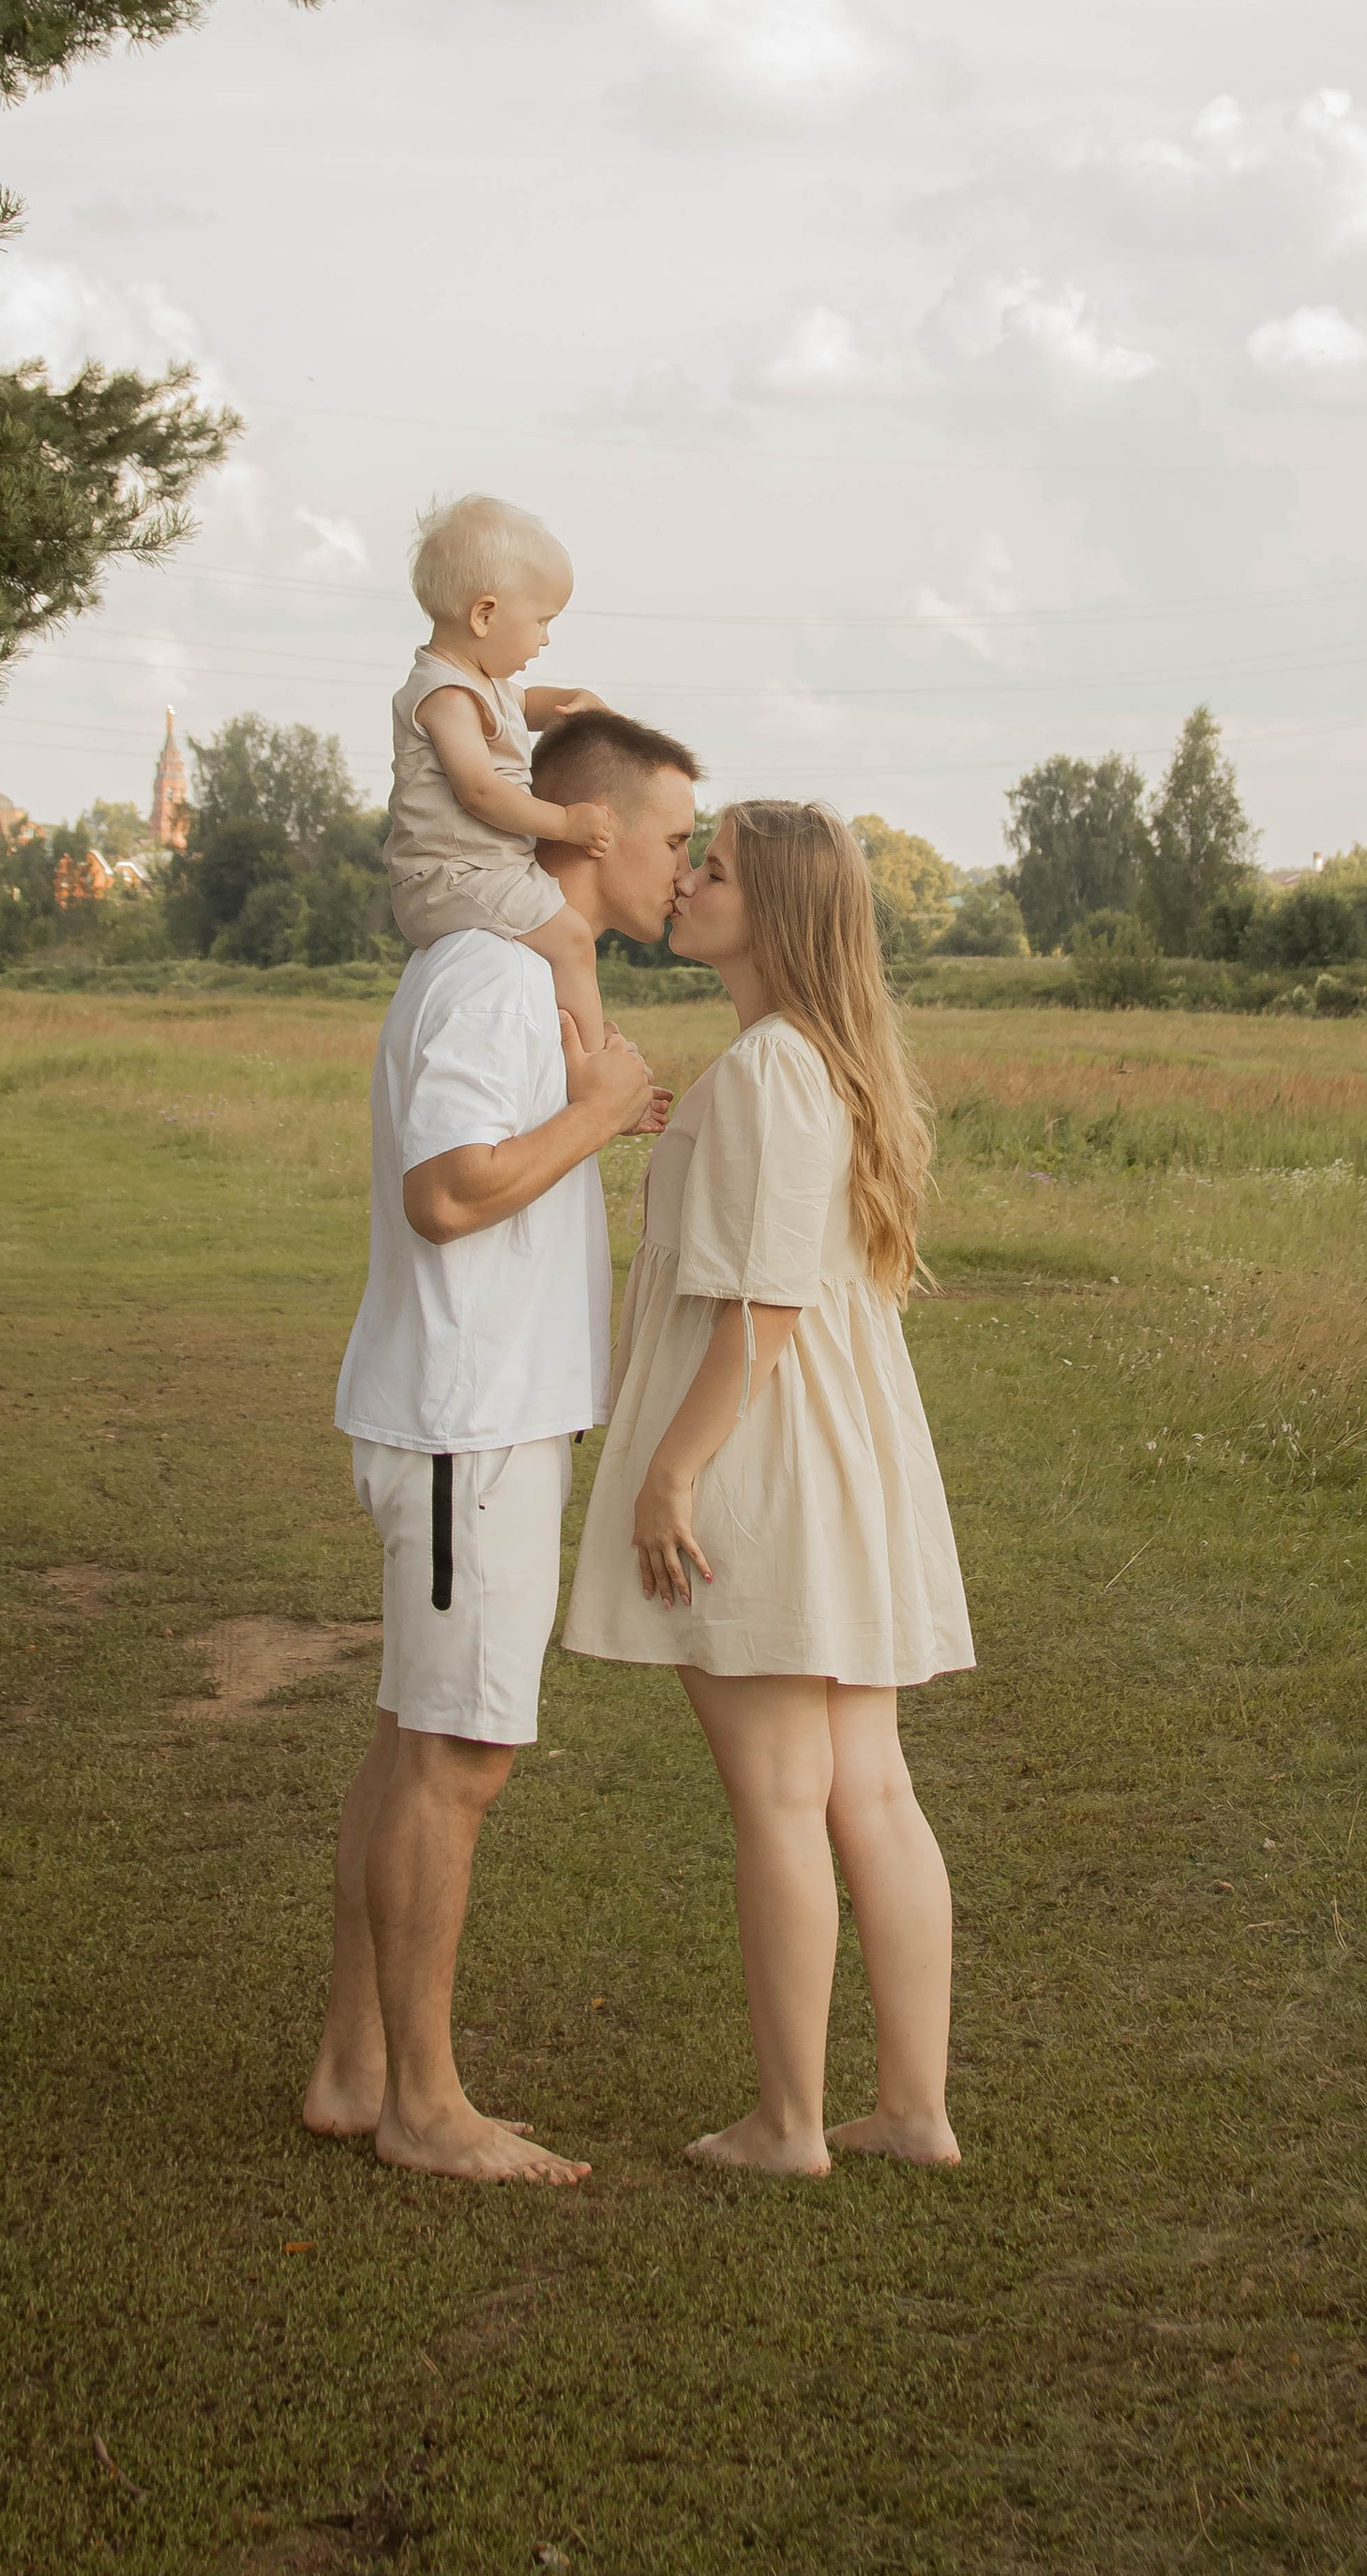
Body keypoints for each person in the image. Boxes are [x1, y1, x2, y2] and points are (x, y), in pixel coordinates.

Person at [305, 709, 702, 2184]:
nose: (684, 868)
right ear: (594, 828)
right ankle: (425, 2107)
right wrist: (598, 1113)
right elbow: (449, 1192)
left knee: (417, 1739)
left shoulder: (527, 969)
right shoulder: (490, 976)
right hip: (468, 1431)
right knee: (459, 1759)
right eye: (675, 838)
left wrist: (597, 1108)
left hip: (479, 1420)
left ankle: (356, 2071)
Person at [563, 801, 973, 2177]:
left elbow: (764, 1309)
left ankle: (791, 2123)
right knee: (870, 1790)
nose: (685, 882)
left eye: (717, 870)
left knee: (786, 1796)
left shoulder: (767, 1071)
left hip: (761, 1454)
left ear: (778, 914)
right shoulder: (807, 1064)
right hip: (834, 1453)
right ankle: (909, 2111)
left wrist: (670, 1473)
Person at [384, 492, 620, 1056]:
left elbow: (529, 703)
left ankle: (569, 1041)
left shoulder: (482, 683)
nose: (545, 638)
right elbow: (479, 790)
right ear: (485, 615)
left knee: (560, 937)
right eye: (541, 621)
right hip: (451, 877)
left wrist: (574, 699)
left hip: (478, 871)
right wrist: (565, 823)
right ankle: (589, 1063)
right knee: (572, 939)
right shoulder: (446, 695)